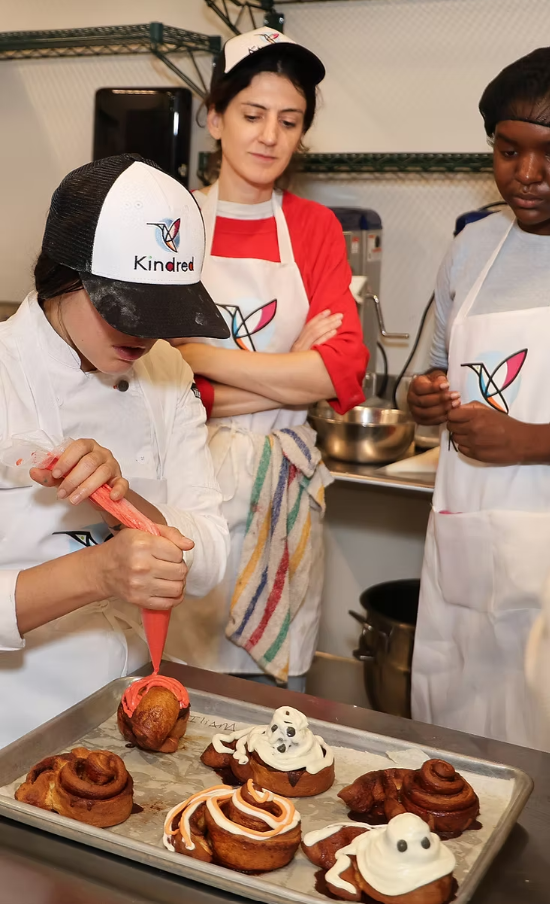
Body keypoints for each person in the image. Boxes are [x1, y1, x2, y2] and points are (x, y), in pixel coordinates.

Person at [0, 153, 229, 748]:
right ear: (64, 276)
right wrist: (98, 571)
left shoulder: (165, 371)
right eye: (124, 308)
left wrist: (128, 508)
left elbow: (207, 558)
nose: (144, 335)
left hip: (132, 712)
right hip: (13, 723)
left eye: (162, 312)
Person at [172, 28, 368, 691]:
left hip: (283, 496)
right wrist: (292, 376)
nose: (269, 137)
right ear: (215, 117)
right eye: (252, 115)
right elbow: (159, 390)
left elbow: (344, 370)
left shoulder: (313, 228)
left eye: (289, 122)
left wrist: (200, 356)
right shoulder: (176, 225)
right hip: (187, 481)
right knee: (191, 688)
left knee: (274, 711)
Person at [408, 47, 550, 750]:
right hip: (468, 549)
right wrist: (423, 400)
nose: (528, 175)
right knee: (454, 754)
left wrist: (531, 441)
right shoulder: (472, 247)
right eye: (508, 150)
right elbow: (434, 373)